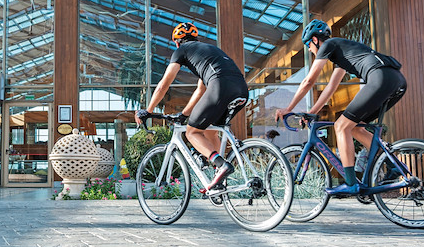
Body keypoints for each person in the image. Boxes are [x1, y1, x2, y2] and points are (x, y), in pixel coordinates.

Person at [275, 19, 406, 195]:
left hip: (379, 78)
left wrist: (288, 108)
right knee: (354, 128)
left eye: (308, 44)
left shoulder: (328, 44)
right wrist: (312, 112)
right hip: (397, 81)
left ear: (314, 40)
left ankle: (351, 184)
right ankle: (394, 166)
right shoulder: (340, 52)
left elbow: (309, 81)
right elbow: (331, 87)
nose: (309, 49)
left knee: (340, 126)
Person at [135, 22, 249, 192]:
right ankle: (218, 178)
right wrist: (185, 113)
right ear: (196, 38)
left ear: (176, 42)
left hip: (220, 86)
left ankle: (220, 164)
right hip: (242, 89)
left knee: (192, 132)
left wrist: (148, 110)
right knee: (210, 131)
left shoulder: (181, 51)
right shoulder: (209, 51)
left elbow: (163, 85)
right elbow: (201, 89)